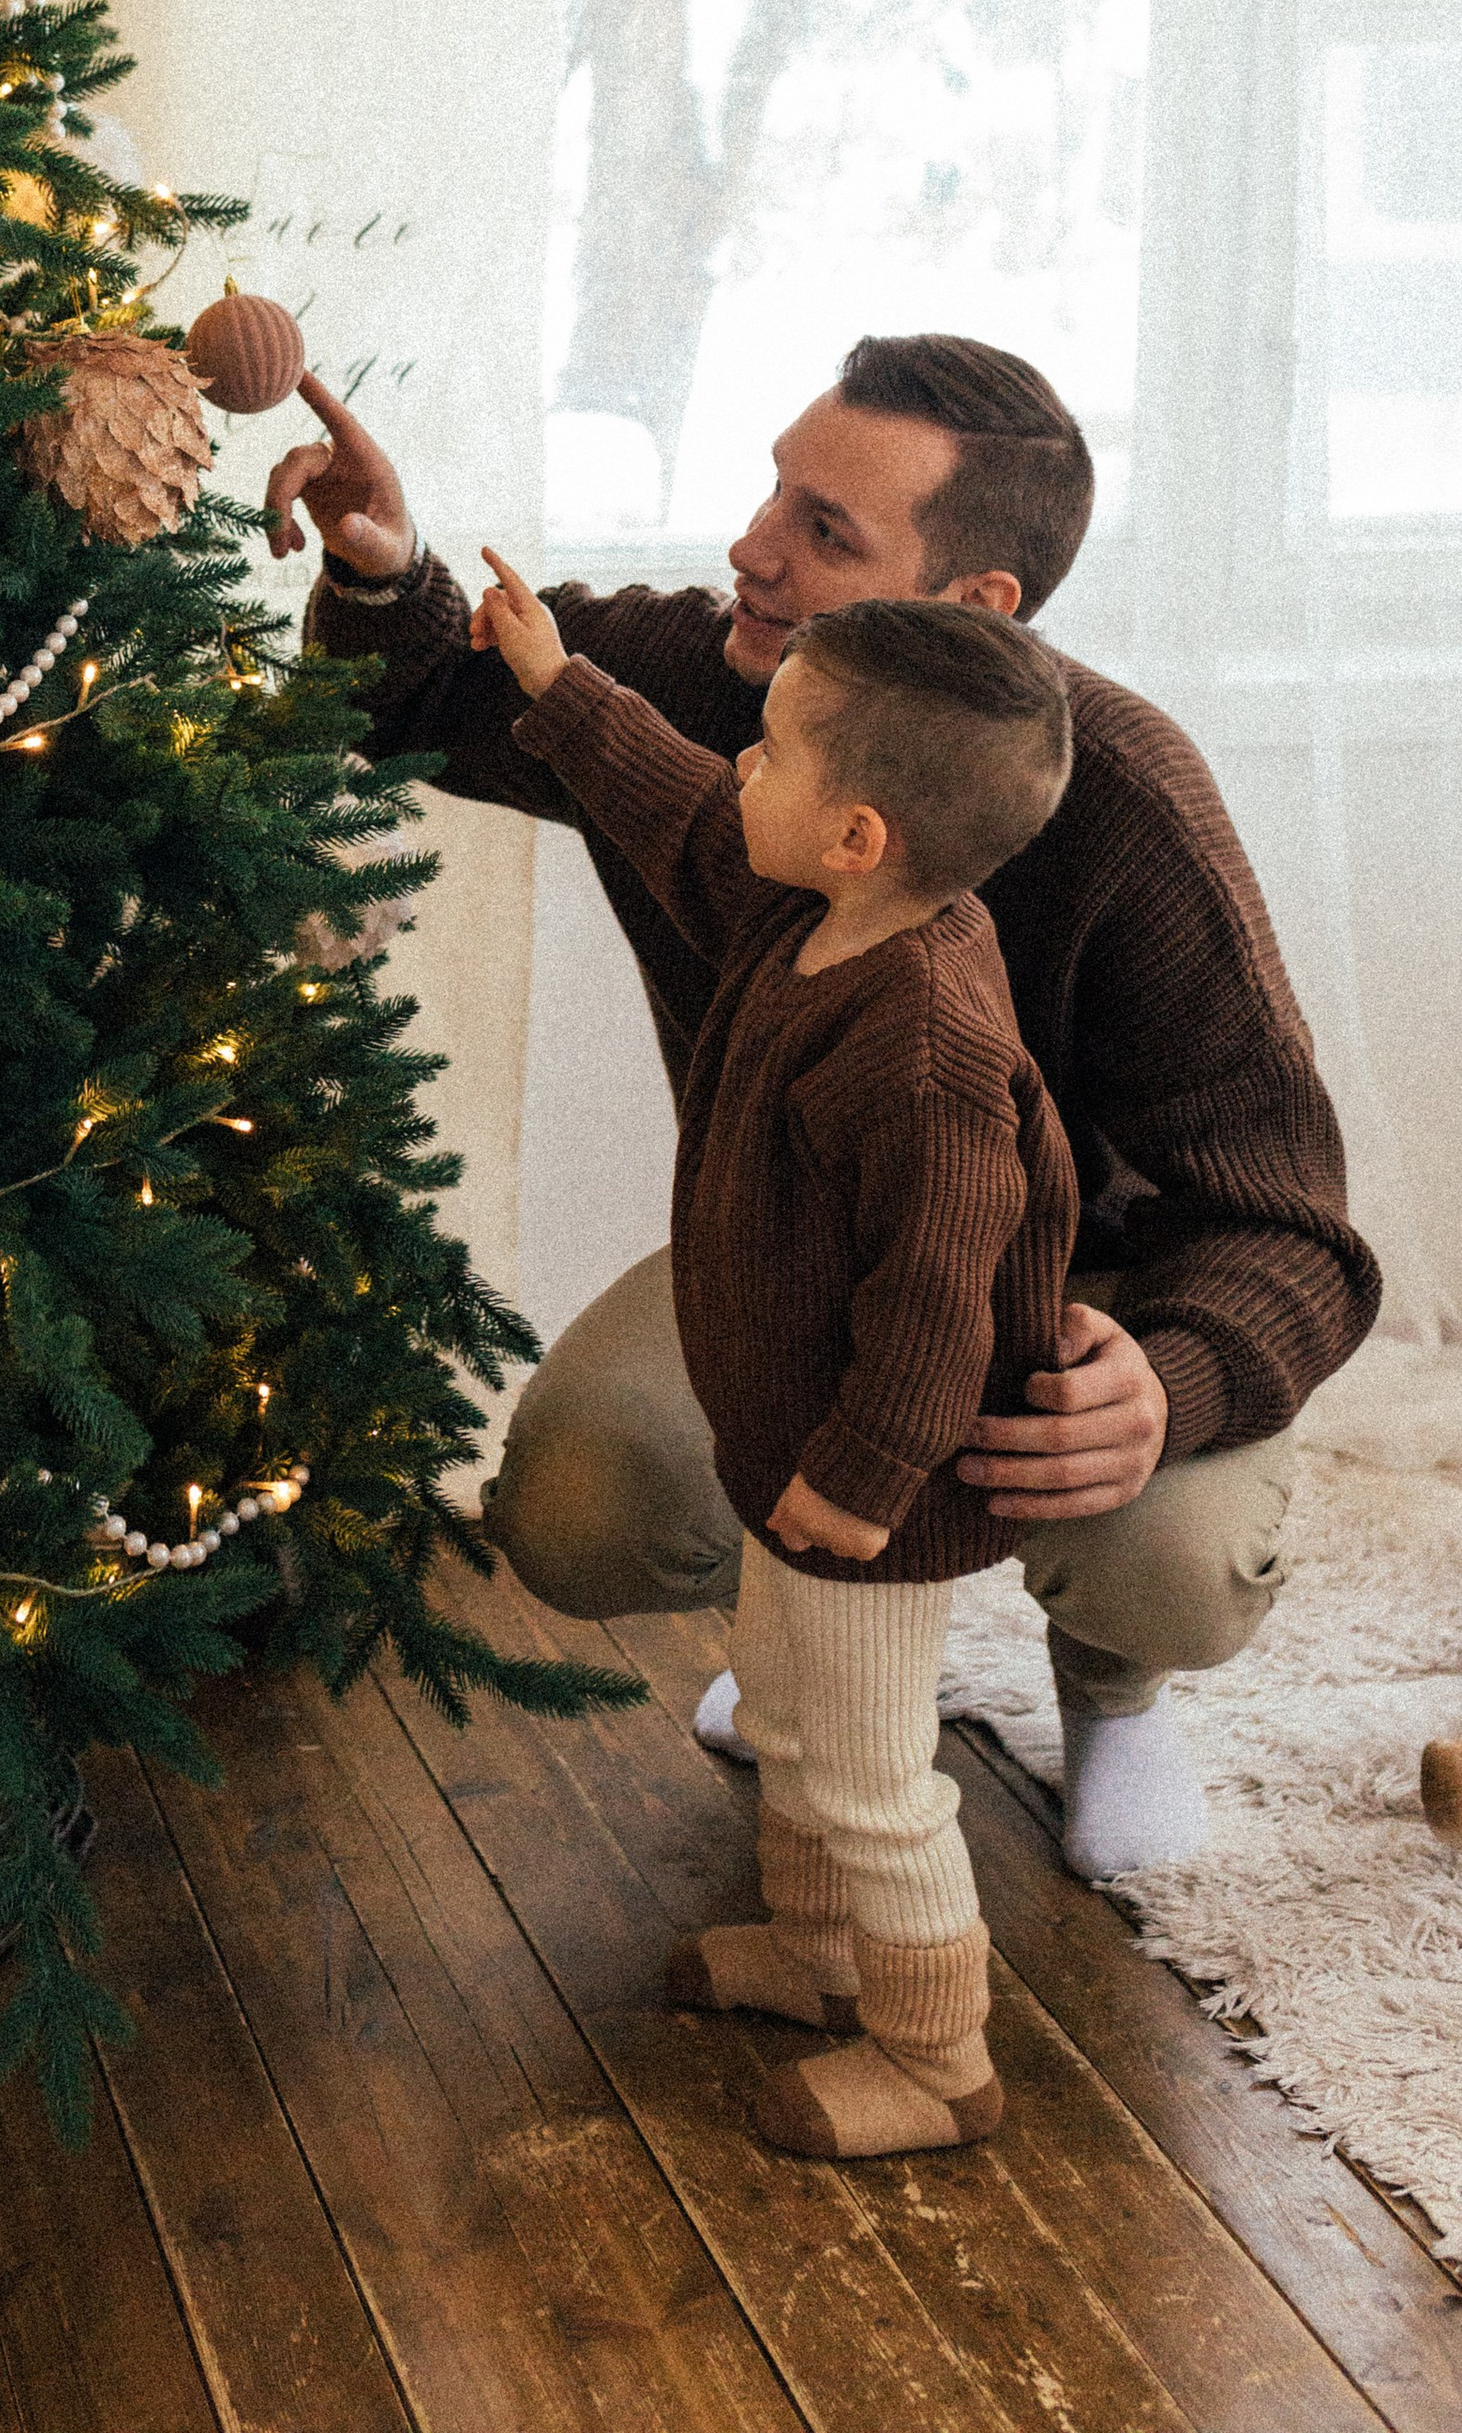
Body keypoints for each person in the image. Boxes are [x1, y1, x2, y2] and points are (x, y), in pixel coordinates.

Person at [271, 334, 1379, 1880]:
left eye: (825, 531)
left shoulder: (1129, 805)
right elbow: (448, 690)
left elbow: (1295, 1225)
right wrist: (386, 570)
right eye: (773, 491)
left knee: (1170, 1560)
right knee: (582, 1500)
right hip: (800, 1260)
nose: (751, 547)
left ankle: (1113, 1687)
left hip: (1083, 1300)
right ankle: (806, 1637)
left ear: (970, 609)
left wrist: (1175, 1385)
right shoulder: (716, 678)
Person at [470, 567, 1078, 2155]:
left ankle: (941, 2062)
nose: (741, 762)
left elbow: (940, 1303)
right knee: (792, 1724)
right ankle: (814, 1956)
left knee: (876, 1775)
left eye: (775, 749)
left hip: (871, 1491)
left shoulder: (928, 1040)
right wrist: (555, 683)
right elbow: (675, 801)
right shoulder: (808, 909)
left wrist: (866, 1485)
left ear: (859, 832)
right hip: (782, 1440)